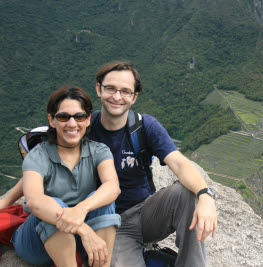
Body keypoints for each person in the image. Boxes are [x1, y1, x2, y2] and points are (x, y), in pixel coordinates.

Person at [0, 61, 217, 267]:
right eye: (110, 88)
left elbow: (179, 163)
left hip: (143, 213)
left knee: (187, 192)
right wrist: (7, 199)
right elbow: (44, 164)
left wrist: (205, 194)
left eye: (125, 91)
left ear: (135, 97)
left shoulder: (144, 126)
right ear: (99, 89)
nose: (117, 96)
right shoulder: (82, 126)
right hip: (105, 220)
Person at [9, 86, 121, 267]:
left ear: (88, 119)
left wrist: (81, 209)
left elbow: (112, 187)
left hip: (78, 236)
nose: (72, 124)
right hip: (36, 243)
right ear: (51, 120)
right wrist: (83, 229)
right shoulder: (38, 156)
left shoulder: (99, 151)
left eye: (79, 116)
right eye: (63, 117)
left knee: (103, 199)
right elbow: (34, 201)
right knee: (53, 204)